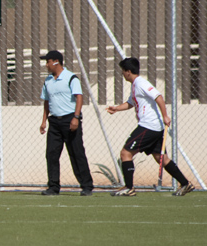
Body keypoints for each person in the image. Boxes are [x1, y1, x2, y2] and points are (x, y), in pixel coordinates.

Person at [106, 57, 195, 196]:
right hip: (154, 127)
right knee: (162, 158)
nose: (122, 74)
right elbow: (131, 103)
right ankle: (185, 184)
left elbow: (158, 96)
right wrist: (116, 108)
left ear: (128, 71)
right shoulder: (135, 85)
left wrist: (165, 115)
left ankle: (129, 188)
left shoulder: (141, 83)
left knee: (126, 153)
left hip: (149, 126)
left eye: (123, 71)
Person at [39, 50, 94, 196]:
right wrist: (44, 121)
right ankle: (53, 187)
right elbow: (46, 101)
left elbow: (79, 97)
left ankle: (87, 186)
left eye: (48, 61)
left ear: (56, 61)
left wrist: (76, 117)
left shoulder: (71, 78)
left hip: (70, 120)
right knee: (51, 154)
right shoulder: (48, 81)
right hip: (54, 123)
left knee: (76, 153)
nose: (46, 65)